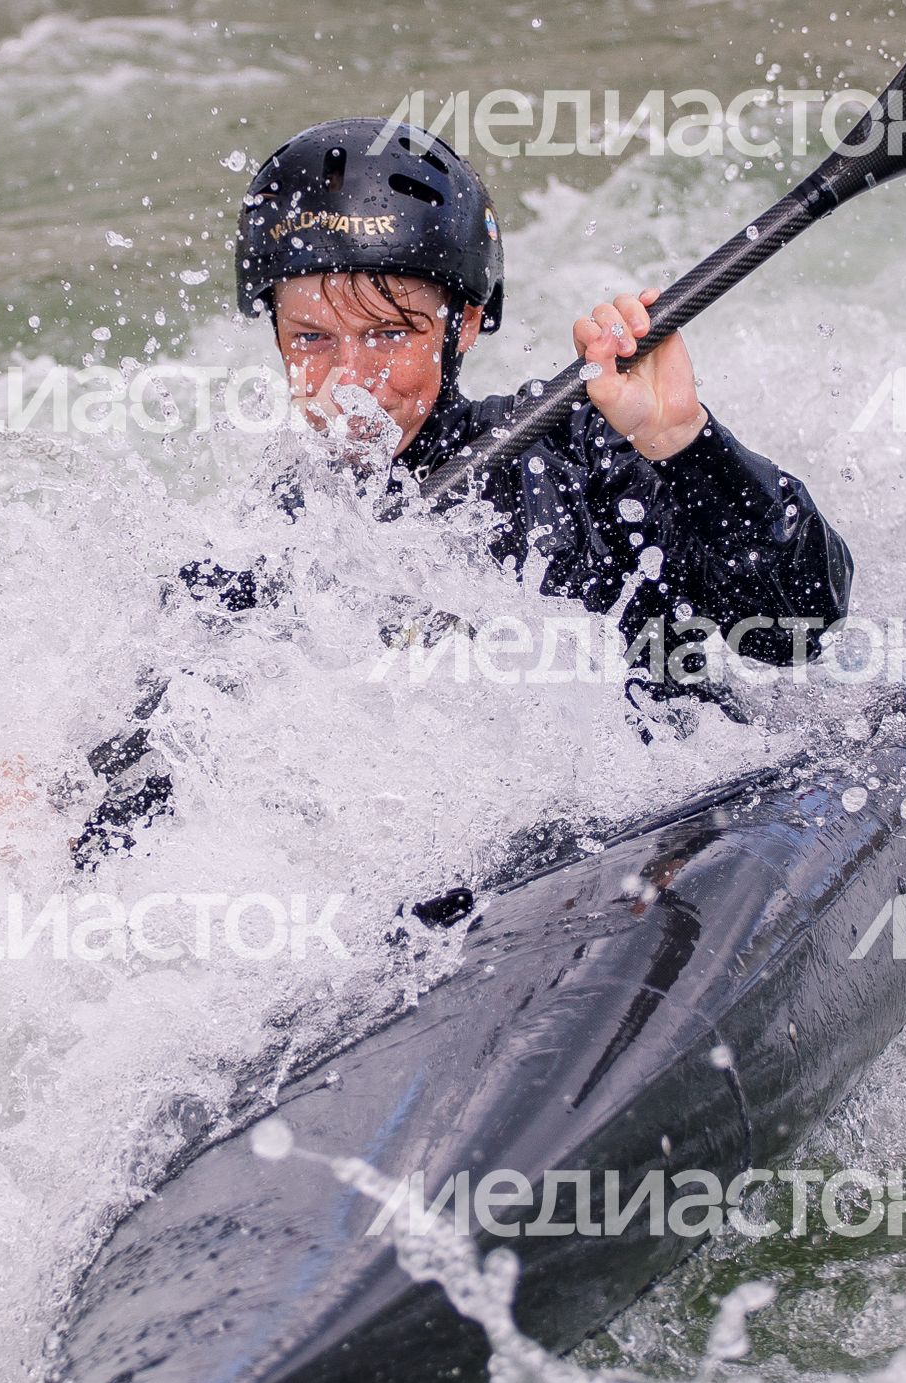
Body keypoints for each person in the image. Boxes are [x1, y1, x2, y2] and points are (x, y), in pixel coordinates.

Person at [72, 116, 852, 864]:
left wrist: (684, 441)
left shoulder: (583, 448)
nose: (352, 381)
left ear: (466, 321)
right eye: (313, 338)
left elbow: (797, 625)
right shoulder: (271, 535)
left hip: (663, 831)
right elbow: (168, 753)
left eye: (389, 333)